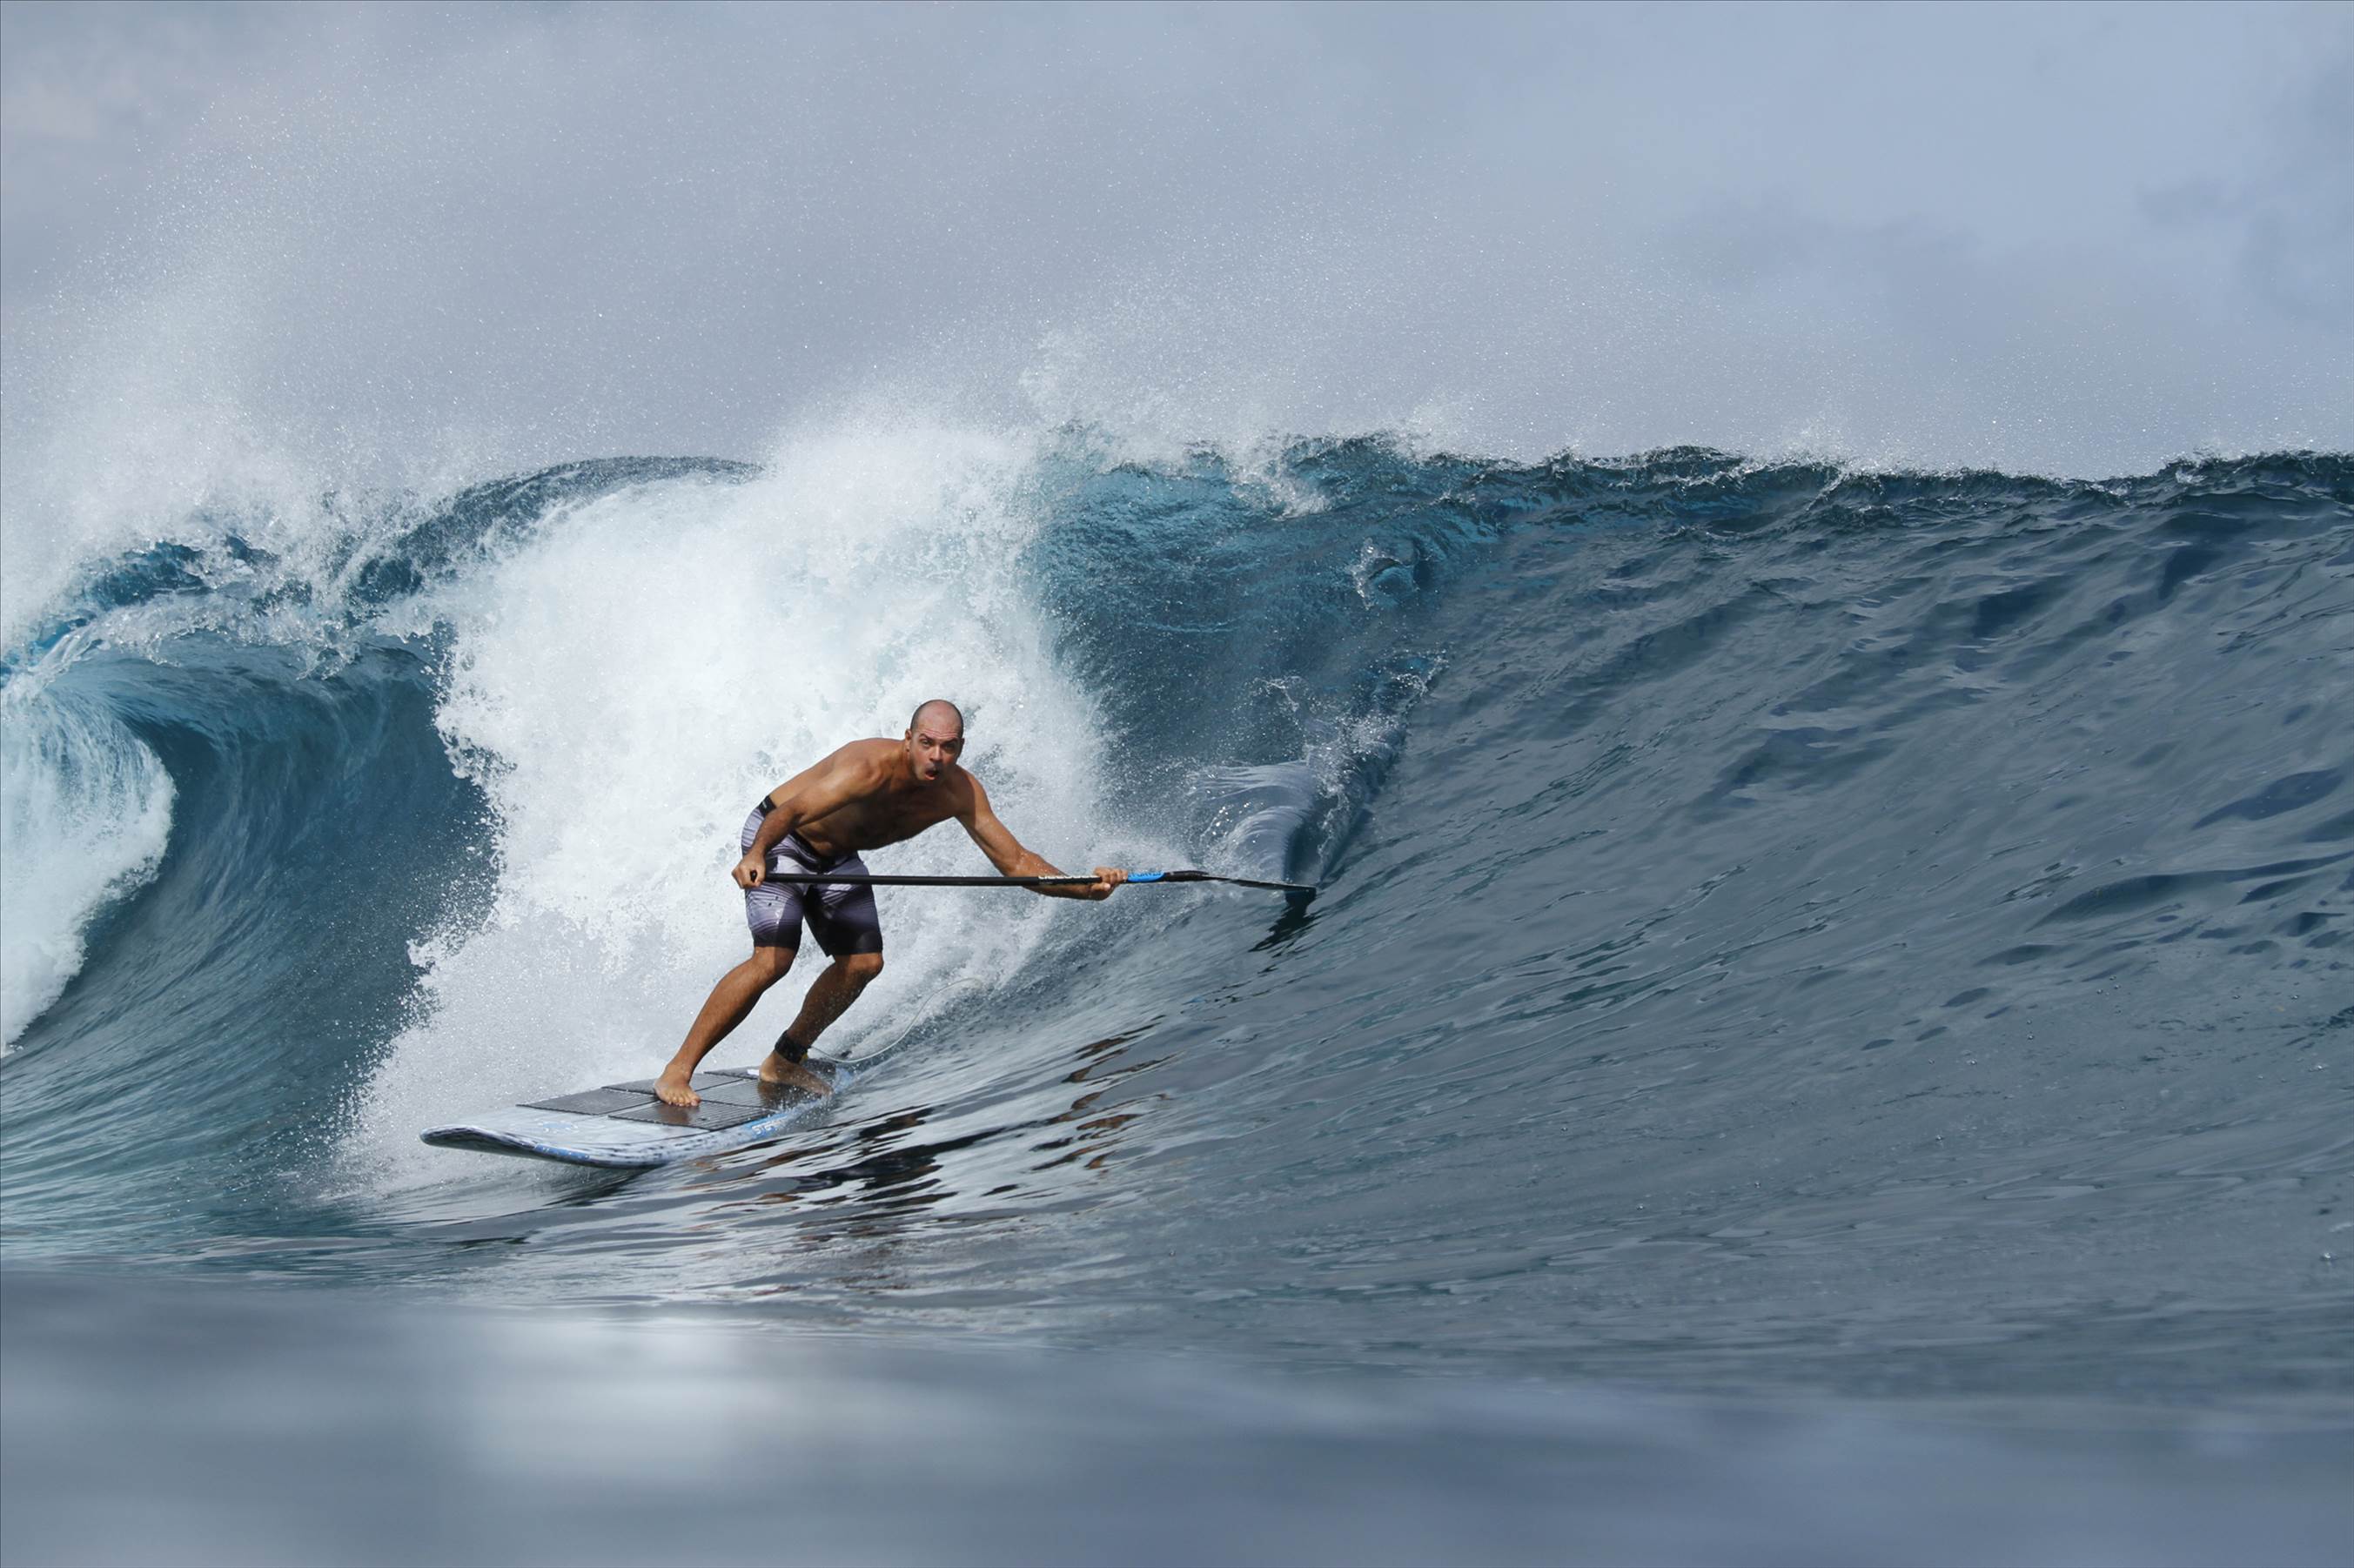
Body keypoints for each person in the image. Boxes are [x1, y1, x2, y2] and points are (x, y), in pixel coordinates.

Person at [653, 700, 1124, 1106]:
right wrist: (755, 854)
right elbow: (789, 811)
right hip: (783, 842)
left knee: (863, 963)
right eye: (927, 743)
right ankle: (678, 1068)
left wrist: (1085, 886)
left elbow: (1018, 861)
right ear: (908, 739)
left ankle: (784, 1061)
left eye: (948, 747)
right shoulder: (867, 769)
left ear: (960, 748)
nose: (936, 757)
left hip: (836, 859)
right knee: (774, 960)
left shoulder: (960, 792)